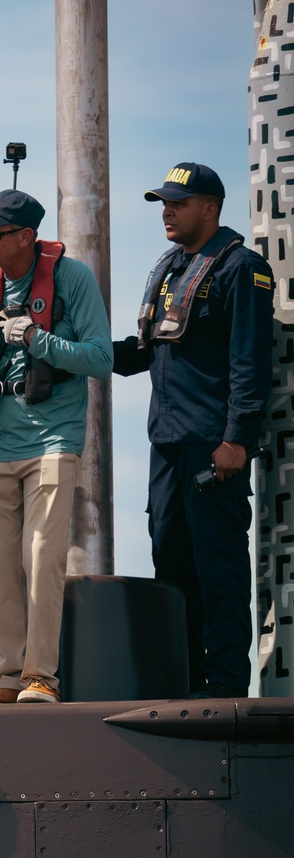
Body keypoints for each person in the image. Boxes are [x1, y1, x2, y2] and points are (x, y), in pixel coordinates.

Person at [112, 162, 274, 698]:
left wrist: (237, 440)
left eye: (177, 203)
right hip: (167, 444)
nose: (167, 212)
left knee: (218, 566)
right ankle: (185, 682)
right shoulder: (170, 269)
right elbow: (142, 353)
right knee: (171, 561)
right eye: (163, 203)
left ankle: (225, 684)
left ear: (210, 208)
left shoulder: (240, 268)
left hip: (213, 444)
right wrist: (77, 353)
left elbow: (251, 362)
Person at [0, 189, 112, 705]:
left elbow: (100, 356)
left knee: (40, 554)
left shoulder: (74, 278)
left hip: (52, 439)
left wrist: (37, 340)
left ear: (25, 237)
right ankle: (9, 676)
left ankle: (41, 676)